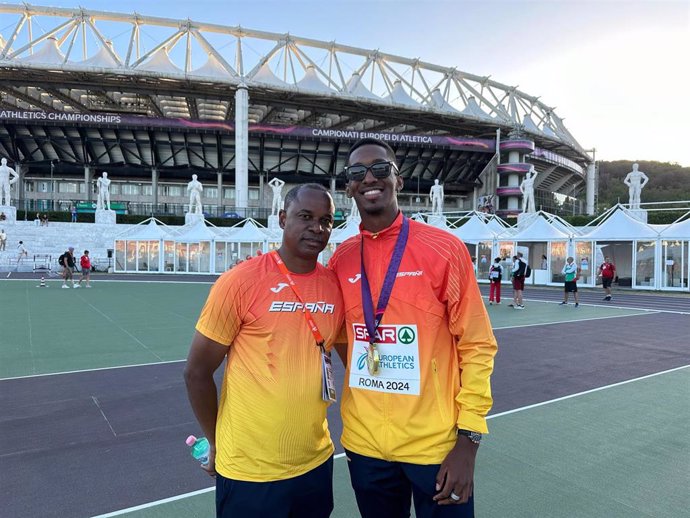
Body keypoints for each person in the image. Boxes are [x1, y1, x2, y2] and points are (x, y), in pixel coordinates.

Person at [329, 138, 497, 518]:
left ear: (398, 180)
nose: (369, 178)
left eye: (380, 169)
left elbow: (477, 344)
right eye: (357, 173)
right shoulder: (340, 259)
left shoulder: (444, 249)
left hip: (435, 448)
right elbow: (343, 341)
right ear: (350, 187)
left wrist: (468, 440)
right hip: (365, 446)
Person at [184, 183, 344, 518]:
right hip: (249, 471)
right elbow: (196, 372)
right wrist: (216, 443)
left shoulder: (335, 287)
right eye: (306, 217)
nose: (317, 228)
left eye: (327, 220)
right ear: (283, 218)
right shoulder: (240, 281)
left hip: (314, 462)